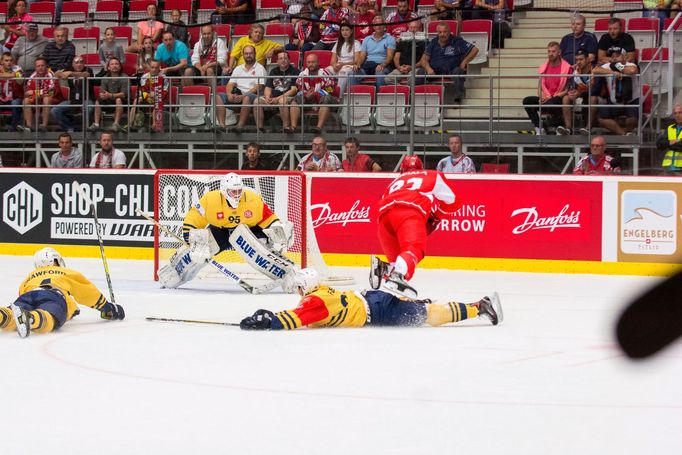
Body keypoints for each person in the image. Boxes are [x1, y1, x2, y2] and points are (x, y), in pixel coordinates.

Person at [239, 267, 503, 330]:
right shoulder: (321, 291)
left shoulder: (315, 301)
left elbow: (296, 319)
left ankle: (479, 307)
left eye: (298, 288)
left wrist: (269, 321)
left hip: (377, 311)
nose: (297, 292)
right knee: (422, 307)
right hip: (371, 298)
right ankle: (410, 297)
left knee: (430, 317)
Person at [157, 172, 295, 289]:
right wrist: (190, 238)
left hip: (248, 231)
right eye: (233, 191)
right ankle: (174, 270)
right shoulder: (210, 199)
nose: (237, 195)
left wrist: (277, 226)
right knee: (197, 253)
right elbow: (195, 216)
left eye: (239, 191)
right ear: (224, 190)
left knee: (262, 251)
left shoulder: (252, 198)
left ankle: (287, 274)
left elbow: (266, 215)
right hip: (220, 232)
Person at [370, 155, 460, 298]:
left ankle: (385, 268)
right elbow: (454, 201)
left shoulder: (395, 181)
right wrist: (436, 217)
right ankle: (397, 275)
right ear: (421, 167)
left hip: (383, 219)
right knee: (414, 250)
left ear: (402, 170)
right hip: (409, 213)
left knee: (399, 261)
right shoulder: (432, 175)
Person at [0, 247, 125, 338]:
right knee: (50, 317)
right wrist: (107, 308)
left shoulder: (29, 276)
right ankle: (30, 318)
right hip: (53, 295)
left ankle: (2, 316)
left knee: (12, 315)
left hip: (29, 294)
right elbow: (86, 292)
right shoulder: (65, 273)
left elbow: (22, 293)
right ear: (54, 261)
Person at [521, 41, 571, 136]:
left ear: (559, 52)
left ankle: (559, 126)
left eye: (553, 51)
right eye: (549, 51)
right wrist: (542, 96)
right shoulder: (543, 67)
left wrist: (552, 97)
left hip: (558, 98)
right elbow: (540, 87)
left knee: (552, 103)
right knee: (527, 101)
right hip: (547, 98)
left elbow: (568, 89)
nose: (550, 54)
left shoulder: (567, 67)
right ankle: (540, 127)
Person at [420, 22, 478, 102]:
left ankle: (458, 99)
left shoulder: (457, 41)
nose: (442, 34)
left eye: (445, 32)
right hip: (434, 71)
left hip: (452, 70)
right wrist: (428, 68)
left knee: (458, 71)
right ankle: (414, 98)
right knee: (420, 72)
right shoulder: (433, 42)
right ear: (437, 33)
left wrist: (464, 62)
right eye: (440, 32)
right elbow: (423, 59)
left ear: (449, 32)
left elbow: (475, 50)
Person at [216, 45, 266, 133]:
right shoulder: (238, 68)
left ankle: (240, 126)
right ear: (243, 55)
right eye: (246, 53)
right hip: (238, 94)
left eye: (250, 53)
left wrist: (243, 96)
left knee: (247, 97)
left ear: (255, 54)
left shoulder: (260, 68)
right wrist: (229, 94)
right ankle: (222, 126)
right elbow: (230, 84)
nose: (248, 55)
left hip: (253, 96)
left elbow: (259, 86)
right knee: (218, 96)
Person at [592, 46, 640, 136]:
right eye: (612, 56)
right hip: (614, 101)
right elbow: (595, 70)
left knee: (632, 120)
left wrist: (618, 66)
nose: (614, 58)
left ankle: (627, 134)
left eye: (617, 55)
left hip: (630, 101)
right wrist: (613, 72)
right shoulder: (609, 66)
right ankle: (624, 134)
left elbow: (632, 71)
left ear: (625, 57)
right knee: (601, 118)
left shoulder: (630, 64)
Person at [290, 53, 338, 134]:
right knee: (296, 99)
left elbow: (330, 91)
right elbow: (299, 89)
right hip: (309, 98)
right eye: (308, 62)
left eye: (313, 62)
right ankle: (293, 127)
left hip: (327, 99)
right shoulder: (302, 74)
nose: (311, 64)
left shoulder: (325, 73)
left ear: (318, 62)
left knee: (326, 99)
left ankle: (318, 128)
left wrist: (315, 94)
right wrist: (306, 95)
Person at [256, 50, 299, 134]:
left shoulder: (295, 71)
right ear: (277, 61)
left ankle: (286, 127)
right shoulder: (273, 71)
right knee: (257, 101)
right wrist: (268, 97)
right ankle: (260, 128)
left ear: (289, 60)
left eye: (285, 58)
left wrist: (277, 98)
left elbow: (293, 90)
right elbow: (268, 87)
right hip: (274, 97)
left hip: (288, 97)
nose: (283, 60)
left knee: (282, 101)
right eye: (280, 58)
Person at [557, 49, 595, 136]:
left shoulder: (594, 69)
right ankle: (568, 128)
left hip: (594, 95)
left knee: (593, 98)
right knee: (566, 98)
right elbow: (571, 85)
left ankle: (588, 128)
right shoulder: (576, 71)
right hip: (580, 94)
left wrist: (579, 93)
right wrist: (572, 92)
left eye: (581, 59)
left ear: (587, 59)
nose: (578, 62)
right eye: (577, 60)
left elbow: (594, 89)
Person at [52, 55, 95, 132]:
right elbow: (56, 74)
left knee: (88, 108)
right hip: (73, 101)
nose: (79, 64)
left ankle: (85, 130)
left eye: (81, 62)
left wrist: (71, 73)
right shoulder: (69, 69)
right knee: (55, 110)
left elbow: (85, 75)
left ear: (84, 64)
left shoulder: (88, 70)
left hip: (87, 99)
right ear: (72, 64)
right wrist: (61, 74)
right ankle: (70, 128)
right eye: (76, 62)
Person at [20, 57, 62, 132]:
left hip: (54, 99)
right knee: (26, 101)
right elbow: (28, 93)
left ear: (46, 66)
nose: (40, 68)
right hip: (38, 99)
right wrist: (34, 94)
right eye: (38, 66)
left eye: (42, 65)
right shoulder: (33, 75)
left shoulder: (51, 74)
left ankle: (43, 125)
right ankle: (29, 127)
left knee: (46, 99)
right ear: (35, 67)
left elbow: (50, 92)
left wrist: (35, 93)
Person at [90, 57, 128, 132]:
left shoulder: (125, 77)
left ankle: (116, 124)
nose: (114, 66)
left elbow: (123, 94)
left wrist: (110, 95)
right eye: (112, 64)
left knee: (118, 100)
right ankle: (96, 124)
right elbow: (102, 91)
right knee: (97, 101)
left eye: (116, 64)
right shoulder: (104, 78)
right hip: (108, 100)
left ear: (120, 66)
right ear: (108, 67)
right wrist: (103, 95)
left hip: (123, 101)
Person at [358, 16, 396, 88]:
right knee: (352, 73)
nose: (378, 26)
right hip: (368, 65)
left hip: (384, 65)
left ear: (384, 25)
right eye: (376, 24)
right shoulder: (367, 39)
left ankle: (380, 97)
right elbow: (362, 56)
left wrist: (383, 65)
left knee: (379, 72)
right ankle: (355, 97)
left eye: (380, 24)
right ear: (373, 26)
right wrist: (358, 64)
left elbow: (390, 56)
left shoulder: (390, 39)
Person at [385, 20, 425, 86]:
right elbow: (396, 57)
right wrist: (399, 67)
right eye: (411, 27)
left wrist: (411, 67)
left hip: (415, 68)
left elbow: (423, 60)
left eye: (415, 27)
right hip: (401, 68)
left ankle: (409, 94)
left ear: (420, 29)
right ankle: (404, 91)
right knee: (388, 79)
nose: (412, 30)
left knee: (412, 79)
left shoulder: (424, 42)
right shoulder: (402, 40)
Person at [330, 22, 363, 96]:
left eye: (347, 30)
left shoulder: (356, 43)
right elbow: (332, 61)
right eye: (342, 30)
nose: (344, 32)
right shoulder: (337, 43)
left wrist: (343, 64)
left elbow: (357, 60)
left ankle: (339, 98)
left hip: (349, 66)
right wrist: (334, 65)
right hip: (338, 66)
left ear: (351, 31)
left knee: (343, 72)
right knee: (324, 72)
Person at [0, 51, 24, 132]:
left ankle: (13, 128)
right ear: (1, 61)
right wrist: (12, 75)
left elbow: (20, 79)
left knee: (15, 103)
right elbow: (14, 75)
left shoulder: (18, 68)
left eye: (10, 60)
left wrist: (3, 76)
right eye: (6, 60)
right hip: (2, 99)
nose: (9, 62)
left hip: (15, 98)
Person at [659, 103, 682, 174]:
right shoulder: (670, 128)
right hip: (668, 167)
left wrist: (669, 144)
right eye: (675, 113)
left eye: (680, 113)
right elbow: (660, 144)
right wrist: (671, 142)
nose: (677, 115)